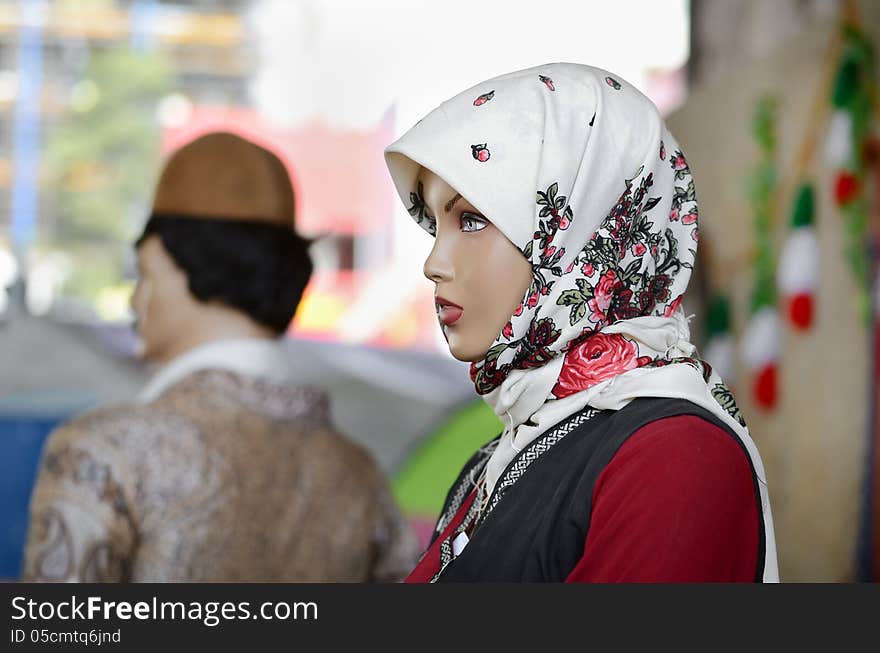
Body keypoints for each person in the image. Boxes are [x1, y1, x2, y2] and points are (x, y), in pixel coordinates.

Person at [384, 63, 778, 582]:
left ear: (584, 231)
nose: (434, 262)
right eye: (436, 225)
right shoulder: (504, 454)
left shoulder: (674, 458)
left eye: (473, 220)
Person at [22, 132, 416, 582]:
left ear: (195, 270)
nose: (135, 301)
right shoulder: (359, 477)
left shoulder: (101, 453)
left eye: (146, 273)